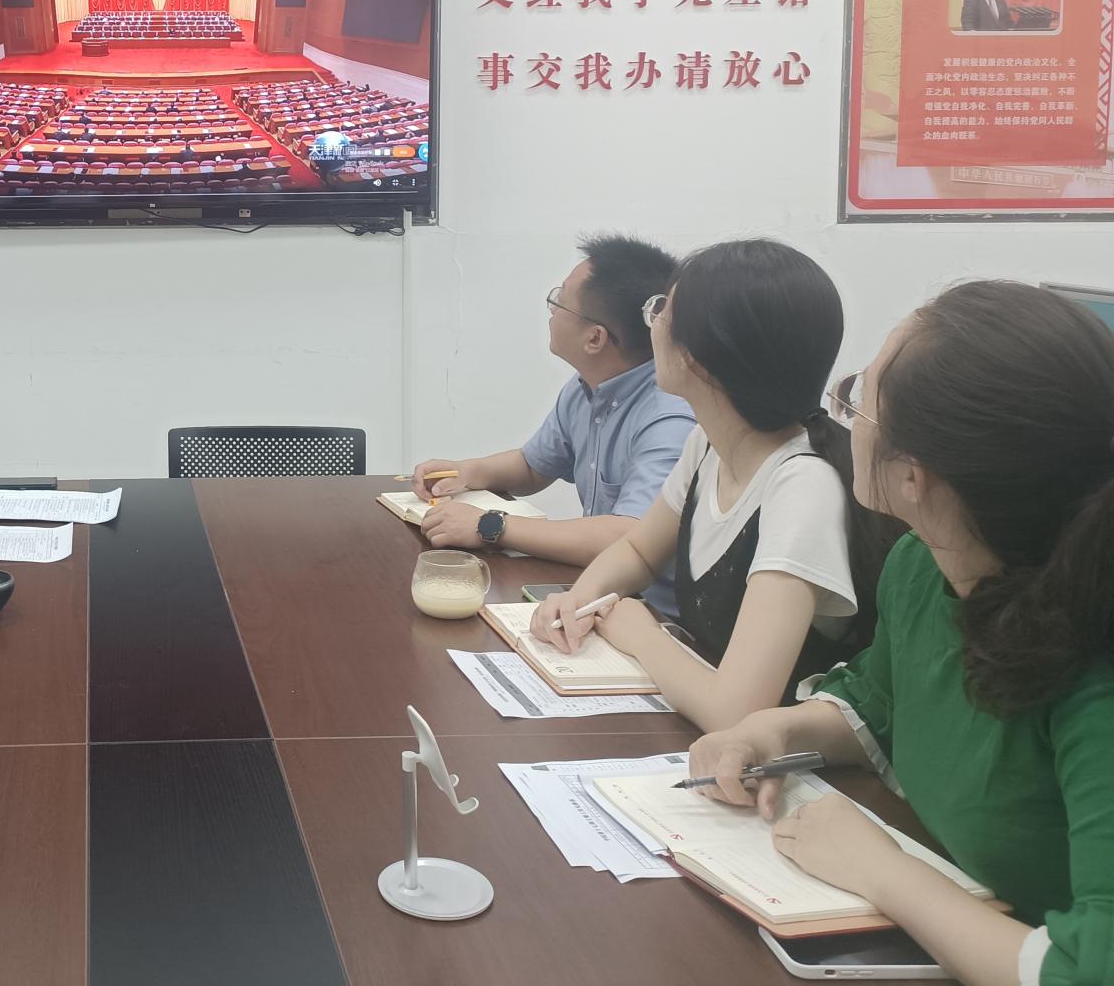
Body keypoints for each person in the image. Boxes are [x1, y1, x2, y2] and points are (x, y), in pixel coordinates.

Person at [688, 281, 1114, 986]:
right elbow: (881, 701)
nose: (843, 416)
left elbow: (1088, 971)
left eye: (856, 399)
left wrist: (884, 873)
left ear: (913, 477)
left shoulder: (1095, 675)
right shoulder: (922, 564)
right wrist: (774, 731)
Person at [528, 240, 904, 731]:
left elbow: (737, 711)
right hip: (702, 718)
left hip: (782, 757)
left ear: (698, 360)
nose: (651, 323)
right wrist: (580, 600)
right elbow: (639, 551)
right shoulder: (709, 442)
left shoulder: (802, 487)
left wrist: (640, 633)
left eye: (661, 312)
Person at [412, 233, 694, 616]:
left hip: (656, 614)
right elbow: (533, 467)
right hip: (599, 589)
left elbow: (628, 536)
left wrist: (489, 525)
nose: (550, 311)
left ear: (594, 338)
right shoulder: (586, 387)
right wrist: (466, 472)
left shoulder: (670, 416)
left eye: (559, 301)